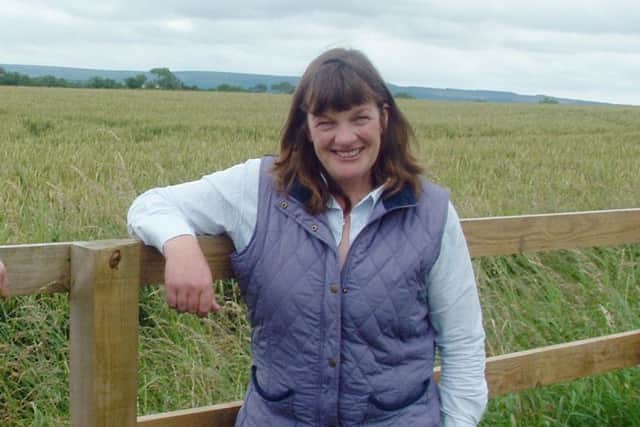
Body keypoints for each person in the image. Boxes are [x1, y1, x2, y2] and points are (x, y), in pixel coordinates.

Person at [128, 48, 487, 426]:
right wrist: (181, 245)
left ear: (383, 118)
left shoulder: (430, 211)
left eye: (359, 118)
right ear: (306, 126)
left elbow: (463, 342)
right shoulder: (259, 188)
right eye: (326, 121)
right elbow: (151, 205)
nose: (344, 137)